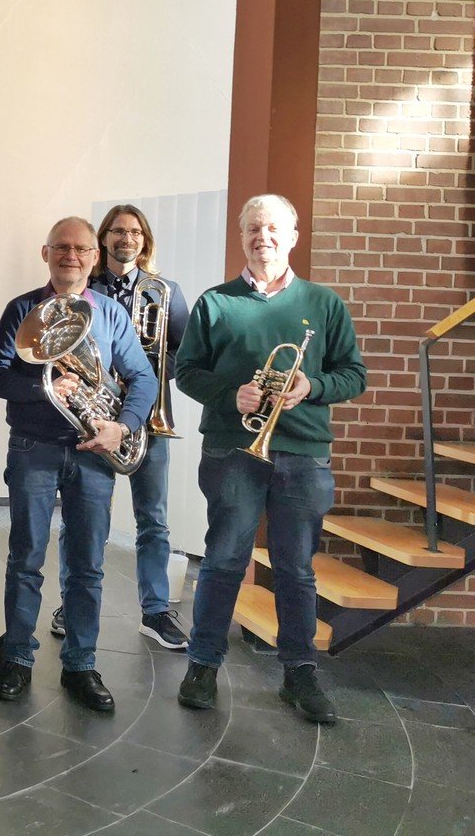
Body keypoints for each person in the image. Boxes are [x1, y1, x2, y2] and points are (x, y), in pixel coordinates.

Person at [175, 194, 366, 724]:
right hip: (234, 450)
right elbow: (186, 371)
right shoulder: (216, 302)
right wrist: (227, 393)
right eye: (254, 228)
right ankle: (203, 665)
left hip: (304, 455)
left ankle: (299, 673)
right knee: (223, 561)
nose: (264, 237)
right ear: (242, 237)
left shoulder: (324, 304)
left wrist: (314, 384)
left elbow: (355, 374)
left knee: (296, 570)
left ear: (293, 236)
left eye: (274, 229)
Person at [0, 217, 157, 712]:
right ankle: (17, 657)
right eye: (61, 247)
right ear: (46, 253)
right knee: (26, 558)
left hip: (93, 452)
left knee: (87, 566)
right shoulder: (22, 308)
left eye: (81, 249)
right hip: (33, 447)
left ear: (94, 257)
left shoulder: (110, 315)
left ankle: (80, 664)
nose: (72, 256)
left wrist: (120, 426)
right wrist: (44, 387)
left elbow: (141, 378)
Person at [47, 205, 192, 652]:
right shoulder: (84, 288)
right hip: (95, 417)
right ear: (103, 241)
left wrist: (138, 379)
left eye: (134, 232)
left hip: (149, 419)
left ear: (144, 240)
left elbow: (181, 356)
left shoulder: (166, 291)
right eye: (117, 231)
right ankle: (73, 605)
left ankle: (155, 611)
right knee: (84, 518)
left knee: (153, 520)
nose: (126, 238)